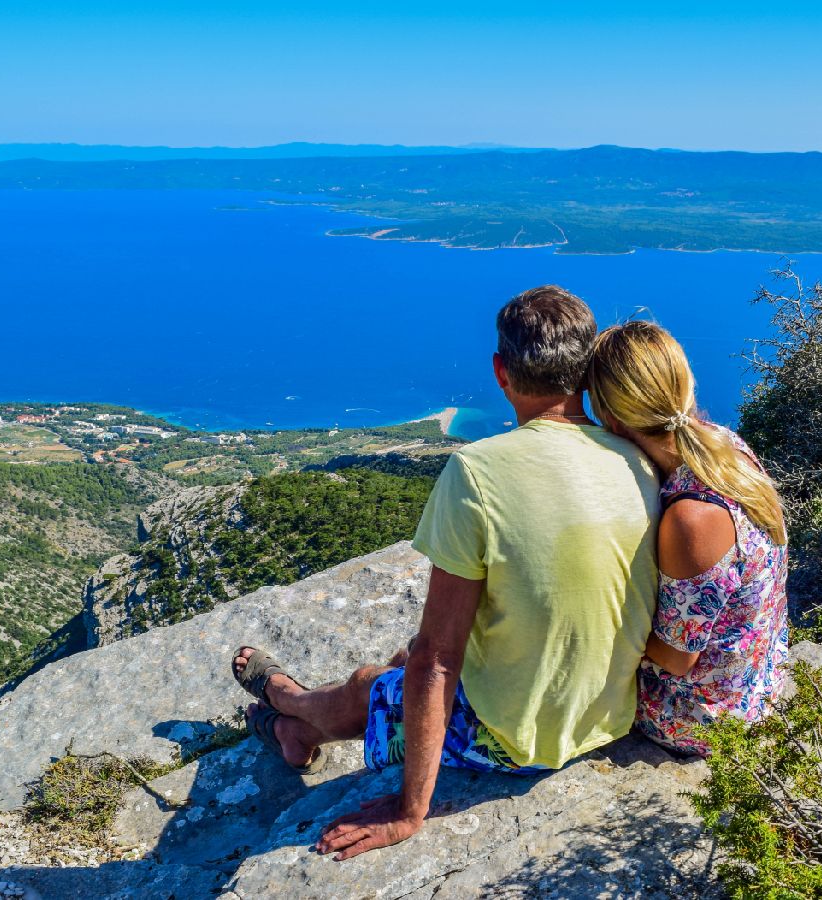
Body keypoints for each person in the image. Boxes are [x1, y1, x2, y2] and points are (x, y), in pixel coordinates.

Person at [231, 286, 659, 859]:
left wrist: (410, 812)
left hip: (523, 740)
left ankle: (293, 715)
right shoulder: (639, 459)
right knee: (401, 663)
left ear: (501, 373)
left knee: (380, 680)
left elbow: (439, 657)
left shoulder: (478, 472)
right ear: (585, 370)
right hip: (610, 714)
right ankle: (298, 719)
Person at [586, 320, 789, 756]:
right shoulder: (724, 446)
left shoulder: (692, 520)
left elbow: (678, 658)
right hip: (759, 679)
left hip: (703, 715)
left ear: (613, 418)